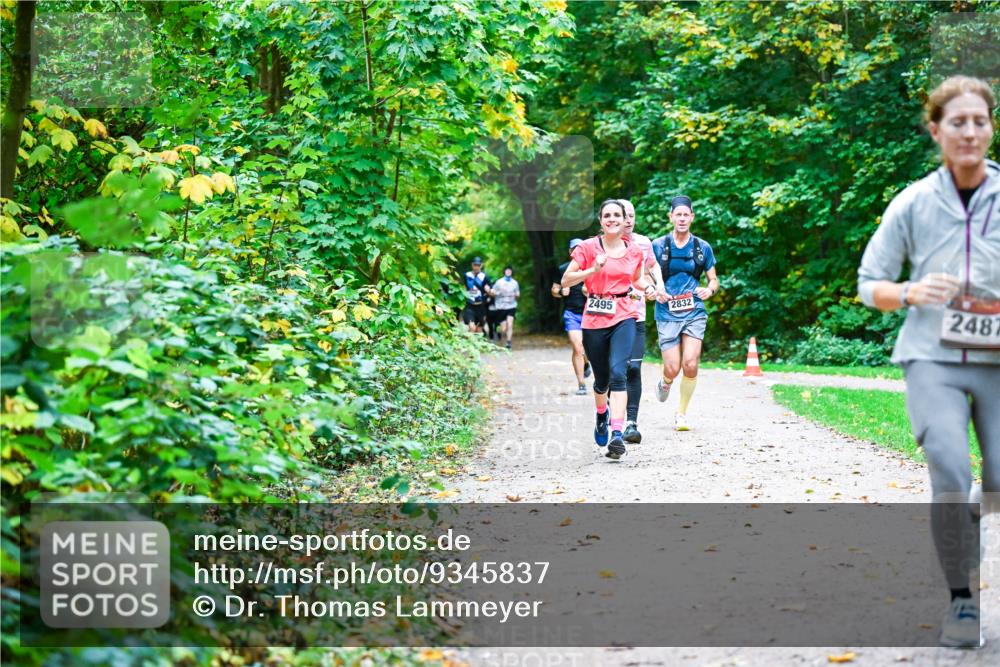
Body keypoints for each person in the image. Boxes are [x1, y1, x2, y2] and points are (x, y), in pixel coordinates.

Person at [857, 75, 999, 649]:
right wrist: (911, 292)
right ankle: (961, 602)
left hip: (997, 356)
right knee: (947, 464)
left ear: (991, 128)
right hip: (931, 356)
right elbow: (870, 285)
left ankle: (976, 506)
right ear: (937, 130)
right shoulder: (913, 201)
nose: (970, 132)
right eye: (958, 122)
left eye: (980, 121)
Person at [561, 200, 657, 459]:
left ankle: (616, 434)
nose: (613, 219)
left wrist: (647, 288)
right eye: (607, 215)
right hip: (594, 319)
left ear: (625, 219)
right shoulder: (587, 248)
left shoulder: (635, 250)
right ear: (601, 220)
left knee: (619, 373)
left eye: (618, 215)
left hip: (624, 314)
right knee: (602, 380)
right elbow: (566, 280)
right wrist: (593, 269)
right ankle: (601, 415)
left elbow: (636, 279)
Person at [650, 195, 720, 431]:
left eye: (685, 214)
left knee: (690, 363)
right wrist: (653, 289)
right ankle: (666, 380)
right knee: (673, 367)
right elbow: (643, 276)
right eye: (677, 214)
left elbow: (714, 279)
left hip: (694, 311)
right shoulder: (658, 246)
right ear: (670, 217)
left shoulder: (702, 247)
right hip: (666, 312)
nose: (681, 218)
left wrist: (709, 290)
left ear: (692, 217)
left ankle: (681, 413)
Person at [620, 199, 663, 444]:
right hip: (610, 318)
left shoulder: (643, 243)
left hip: (636, 315)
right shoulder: (601, 246)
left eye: (632, 215)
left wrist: (656, 287)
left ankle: (631, 423)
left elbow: (652, 267)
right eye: (623, 215)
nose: (628, 219)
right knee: (613, 373)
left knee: (633, 368)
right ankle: (606, 415)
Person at [552, 239, 592, 395]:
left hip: (591, 314)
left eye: (580, 248)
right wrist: (562, 292)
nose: (577, 251)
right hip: (572, 314)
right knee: (577, 347)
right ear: (570, 253)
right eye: (574, 249)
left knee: (588, 348)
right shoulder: (563, 269)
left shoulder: (592, 269)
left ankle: (587, 363)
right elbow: (554, 290)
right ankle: (581, 384)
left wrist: (590, 291)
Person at [461, 257, 492, 334]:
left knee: (478, 330)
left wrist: (489, 291)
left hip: (481, 306)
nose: (476, 267)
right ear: (472, 265)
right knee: (472, 327)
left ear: (481, 265)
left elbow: (490, 290)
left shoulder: (485, 277)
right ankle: (470, 344)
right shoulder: (466, 275)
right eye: (475, 265)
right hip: (469, 305)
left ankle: (476, 344)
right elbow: (462, 287)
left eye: (478, 265)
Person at [493, 265, 520, 350]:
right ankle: (498, 334)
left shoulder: (515, 283)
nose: (508, 272)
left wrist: (517, 295)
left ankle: (509, 343)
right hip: (501, 307)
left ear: (511, 272)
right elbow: (493, 291)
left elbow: (518, 294)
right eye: (507, 271)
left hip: (511, 306)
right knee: (504, 328)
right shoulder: (499, 282)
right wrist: (494, 293)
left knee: (510, 324)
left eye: (510, 271)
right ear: (504, 272)